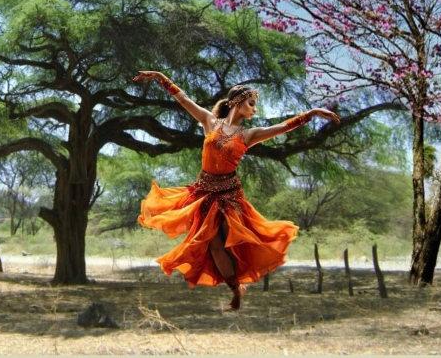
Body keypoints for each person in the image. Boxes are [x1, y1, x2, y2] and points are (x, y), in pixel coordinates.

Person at [133, 71, 341, 311]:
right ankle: (236, 288)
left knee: (232, 240)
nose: (254, 109)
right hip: (204, 192)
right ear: (236, 102)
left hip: (230, 194)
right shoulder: (209, 121)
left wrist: (312, 113)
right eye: (251, 104)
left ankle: (238, 284)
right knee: (212, 245)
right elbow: (184, 100)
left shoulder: (248, 135)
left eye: (255, 105)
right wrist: (161, 77)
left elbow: (283, 127)